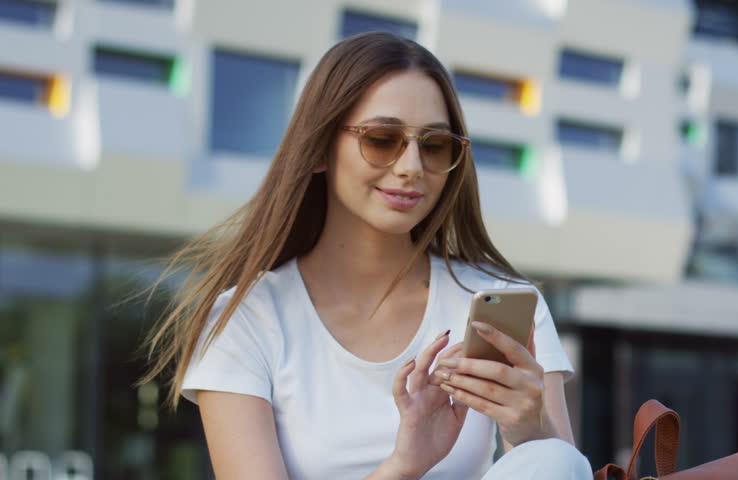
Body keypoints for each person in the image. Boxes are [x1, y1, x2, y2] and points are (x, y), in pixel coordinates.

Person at [138, 31, 593, 479]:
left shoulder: (502, 303)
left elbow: (554, 469)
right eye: (381, 139)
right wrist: (404, 465)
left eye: (434, 146)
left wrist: (530, 427)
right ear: (318, 149)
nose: (412, 167)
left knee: (558, 459)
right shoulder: (247, 319)